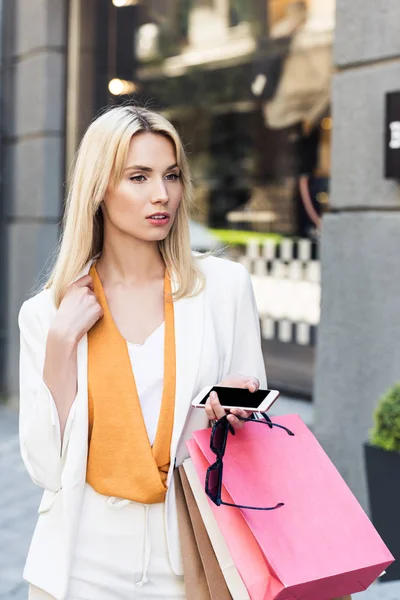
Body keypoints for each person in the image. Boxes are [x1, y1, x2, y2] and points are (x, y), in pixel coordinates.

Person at [18, 105, 266, 600]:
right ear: (98, 189)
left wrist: (238, 414)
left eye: (171, 175)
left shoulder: (223, 288)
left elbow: (253, 432)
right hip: (80, 567)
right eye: (139, 177)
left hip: (192, 559)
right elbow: (47, 469)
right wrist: (61, 346)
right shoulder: (47, 313)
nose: (162, 194)